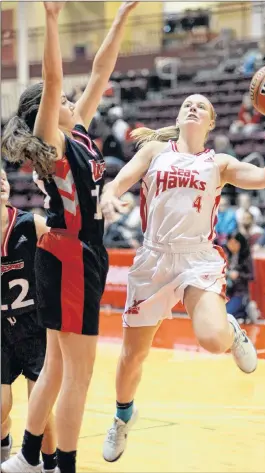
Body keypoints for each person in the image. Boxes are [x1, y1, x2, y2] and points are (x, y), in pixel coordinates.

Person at [100, 90, 265, 462]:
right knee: (133, 357)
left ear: (210, 124)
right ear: (179, 120)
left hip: (196, 259)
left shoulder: (219, 163)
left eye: (201, 107)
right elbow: (119, 181)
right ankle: (122, 417)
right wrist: (110, 195)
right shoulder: (154, 152)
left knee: (213, 341)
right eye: (186, 105)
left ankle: (231, 329)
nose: (193, 108)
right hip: (153, 260)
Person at [1, 2, 138, 473]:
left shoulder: (76, 125)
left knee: (58, 367)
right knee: (79, 374)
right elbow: (55, 78)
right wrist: (54, 22)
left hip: (71, 254)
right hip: (72, 254)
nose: (69, 96)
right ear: (46, 106)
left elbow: (101, 67)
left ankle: (27, 457)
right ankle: (65, 466)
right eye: (58, 96)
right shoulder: (52, 140)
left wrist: (121, 16)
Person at [1, 169, 56, 473]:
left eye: (3, 178)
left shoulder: (29, 223)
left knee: (41, 406)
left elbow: (65, 249)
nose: (1, 182)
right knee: (1, 408)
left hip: (34, 325)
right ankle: (4, 444)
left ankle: (49, 465)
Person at [224, 232, 253, 319]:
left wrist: (238, 275)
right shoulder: (227, 256)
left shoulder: (246, 257)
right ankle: (242, 312)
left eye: (235, 243)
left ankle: (245, 310)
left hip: (240, 293)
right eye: (230, 243)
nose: (232, 246)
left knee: (227, 314)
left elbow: (251, 276)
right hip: (228, 292)